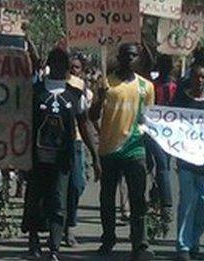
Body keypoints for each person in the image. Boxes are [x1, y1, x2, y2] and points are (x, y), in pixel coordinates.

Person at [22, 48, 101, 261]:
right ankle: (33, 241)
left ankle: (54, 248)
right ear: (49, 64)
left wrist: (95, 155)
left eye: (62, 64)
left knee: (58, 201)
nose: (59, 67)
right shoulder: (35, 91)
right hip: (36, 158)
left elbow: (84, 126)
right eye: (55, 63)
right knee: (35, 200)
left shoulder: (75, 95)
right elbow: (23, 125)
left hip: (63, 159)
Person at [90, 43, 155, 260]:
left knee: (138, 199)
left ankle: (140, 243)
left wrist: (151, 152)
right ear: (119, 57)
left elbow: (149, 120)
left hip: (135, 149)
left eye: (134, 56)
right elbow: (91, 115)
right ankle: (108, 238)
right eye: (126, 56)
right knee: (107, 199)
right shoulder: (106, 83)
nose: (130, 59)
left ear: (138, 59)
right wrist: (99, 99)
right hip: (109, 151)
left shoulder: (146, 87)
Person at [174, 63, 204, 261]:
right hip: (186, 159)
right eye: (196, 76)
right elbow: (171, 122)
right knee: (187, 202)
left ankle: (194, 242)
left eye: (203, 77)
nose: (200, 80)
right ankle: (183, 245)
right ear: (191, 77)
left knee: (202, 203)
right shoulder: (182, 99)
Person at [64, 53, 94, 247]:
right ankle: (61, 229)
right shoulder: (55, 85)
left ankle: (69, 223)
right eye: (70, 67)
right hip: (56, 144)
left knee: (77, 185)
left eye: (76, 68)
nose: (73, 70)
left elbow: (86, 121)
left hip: (76, 142)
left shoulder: (84, 92)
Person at [145, 54, 176, 225]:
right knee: (160, 165)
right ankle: (163, 201)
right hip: (155, 132)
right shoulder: (153, 86)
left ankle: (163, 200)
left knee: (162, 166)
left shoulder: (174, 88)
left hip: (167, 134)